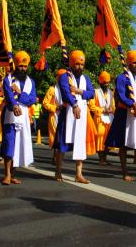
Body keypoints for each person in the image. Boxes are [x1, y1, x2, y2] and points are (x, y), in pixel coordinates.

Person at [105, 50, 136, 182]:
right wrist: (132, 105)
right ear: (128, 63)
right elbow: (121, 95)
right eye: (134, 63)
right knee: (122, 144)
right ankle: (125, 172)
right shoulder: (121, 78)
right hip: (124, 113)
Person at [53, 50, 95, 183]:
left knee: (80, 144)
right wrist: (74, 105)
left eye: (82, 64)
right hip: (68, 113)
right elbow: (66, 93)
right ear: (71, 63)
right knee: (62, 143)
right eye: (77, 64)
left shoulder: (86, 78)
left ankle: (79, 174)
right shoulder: (65, 76)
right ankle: (58, 170)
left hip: (81, 115)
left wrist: (80, 91)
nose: (80, 67)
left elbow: (91, 93)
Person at [0, 51, 36, 185]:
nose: (23, 69)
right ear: (15, 65)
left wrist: (20, 94)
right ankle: (7, 174)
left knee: (20, 146)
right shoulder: (8, 79)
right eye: (20, 66)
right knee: (9, 144)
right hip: (10, 116)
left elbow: (32, 99)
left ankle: (13, 174)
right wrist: (15, 106)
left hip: (25, 117)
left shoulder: (31, 82)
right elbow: (9, 96)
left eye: (25, 66)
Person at [89, 71, 114, 165]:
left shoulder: (111, 93)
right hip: (99, 119)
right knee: (100, 138)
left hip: (109, 119)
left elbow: (114, 105)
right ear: (100, 82)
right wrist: (103, 110)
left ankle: (105, 158)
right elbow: (91, 106)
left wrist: (112, 109)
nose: (106, 84)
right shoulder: (95, 92)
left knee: (108, 139)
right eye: (104, 83)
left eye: (108, 82)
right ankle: (101, 159)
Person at [42, 69, 66, 163]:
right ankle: (56, 158)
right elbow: (45, 103)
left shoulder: (67, 89)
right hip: (54, 116)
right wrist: (56, 108)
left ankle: (58, 158)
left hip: (64, 116)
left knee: (62, 137)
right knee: (56, 137)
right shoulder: (52, 89)